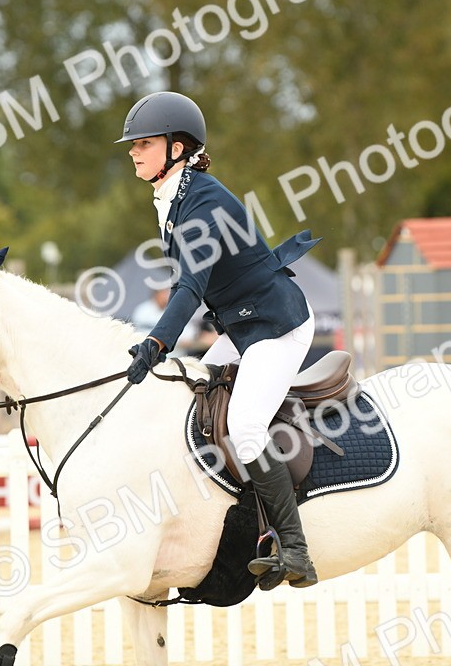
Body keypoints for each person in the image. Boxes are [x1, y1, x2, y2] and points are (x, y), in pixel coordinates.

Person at [117, 91, 320, 589]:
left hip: (276, 325)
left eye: (143, 143)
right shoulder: (175, 196)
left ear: (178, 147)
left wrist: (157, 343)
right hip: (241, 324)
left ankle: (296, 551)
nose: (133, 152)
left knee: (246, 425)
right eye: (133, 145)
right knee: (202, 397)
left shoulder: (203, 204)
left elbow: (190, 287)